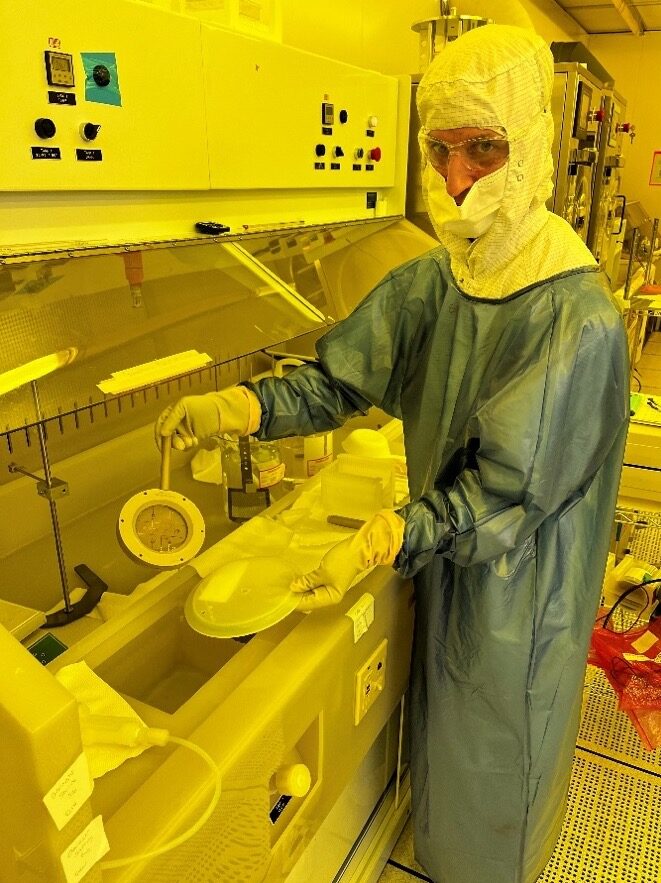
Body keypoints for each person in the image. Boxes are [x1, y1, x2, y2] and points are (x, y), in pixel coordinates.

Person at [155, 25, 629, 883]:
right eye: (440, 149)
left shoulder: (574, 314)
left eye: (483, 149)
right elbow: (342, 378)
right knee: (447, 726)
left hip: (522, 585)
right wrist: (242, 405)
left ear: (531, 146)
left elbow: (505, 495)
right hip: (447, 555)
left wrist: (384, 536)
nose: (455, 181)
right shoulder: (437, 276)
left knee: (500, 740)